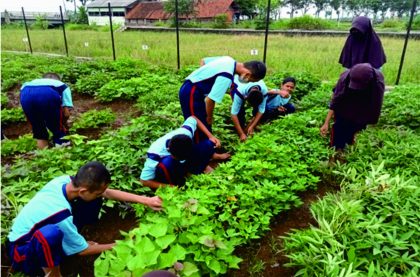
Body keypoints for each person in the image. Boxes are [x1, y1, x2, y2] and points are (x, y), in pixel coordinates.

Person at [6, 161, 162, 277]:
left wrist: (146, 200)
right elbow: (84, 251)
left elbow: (106, 193)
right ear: (83, 190)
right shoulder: (60, 214)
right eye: (97, 192)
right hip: (22, 251)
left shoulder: (64, 182)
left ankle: (71, 241)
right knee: (51, 234)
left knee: (92, 201)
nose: (101, 195)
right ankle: (53, 273)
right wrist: (123, 244)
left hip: (41, 233)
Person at [179, 56, 266, 141]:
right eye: (250, 81)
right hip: (191, 92)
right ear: (247, 74)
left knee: (202, 121)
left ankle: (210, 151)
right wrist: (209, 118)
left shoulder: (228, 60)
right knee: (197, 123)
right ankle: (200, 151)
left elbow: (204, 61)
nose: (248, 82)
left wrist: (203, 78)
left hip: (193, 89)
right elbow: (209, 100)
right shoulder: (226, 76)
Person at [140, 116, 230, 189]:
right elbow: (144, 181)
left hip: (185, 159)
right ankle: (180, 179)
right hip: (170, 168)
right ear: (168, 150)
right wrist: (170, 187)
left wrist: (211, 136)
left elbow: (193, 118)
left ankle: (200, 168)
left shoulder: (185, 133)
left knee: (209, 144)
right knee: (166, 164)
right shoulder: (154, 155)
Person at [320, 63, 385, 151]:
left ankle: (349, 149)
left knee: (356, 128)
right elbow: (335, 101)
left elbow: (376, 104)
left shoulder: (377, 81)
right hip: (345, 104)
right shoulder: (344, 78)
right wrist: (326, 122)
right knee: (339, 129)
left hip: (363, 105)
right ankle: (337, 150)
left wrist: (371, 122)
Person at [20, 73, 73, 149]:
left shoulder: (28, 83)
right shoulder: (61, 85)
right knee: (57, 127)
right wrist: (63, 124)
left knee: (39, 129)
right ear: (58, 79)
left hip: (25, 93)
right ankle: (62, 152)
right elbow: (66, 112)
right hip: (47, 95)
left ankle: (43, 155)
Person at [230, 75, 268, 141]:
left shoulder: (264, 91)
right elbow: (234, 114)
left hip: (248, 87)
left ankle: (247, 128)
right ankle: (240, 132)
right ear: (246, 97)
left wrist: (252, 126)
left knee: (258, 111)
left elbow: (261, 110)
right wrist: (241, 134)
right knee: (239, 112)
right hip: (236, 84)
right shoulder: (240, 91)